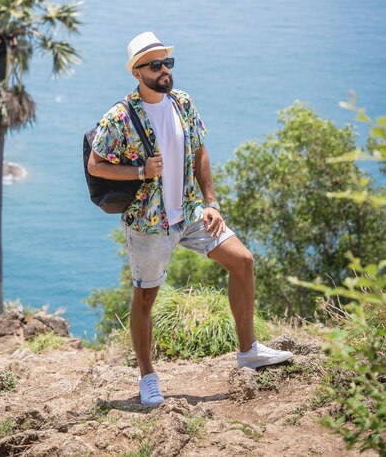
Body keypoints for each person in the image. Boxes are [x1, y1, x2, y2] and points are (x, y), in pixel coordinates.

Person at [88, 31, 293, 407]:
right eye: (155, 65)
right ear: (137, 73)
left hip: (191, 212)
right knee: (146, 297)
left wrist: (211, 202)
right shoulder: (119, 116)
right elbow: (95, 164)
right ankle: (147, 376)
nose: (164, 70)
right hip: (149, 223)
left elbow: (199, 151)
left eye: (168, 62)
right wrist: (139, 173)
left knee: (243, 261)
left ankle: (248, 350)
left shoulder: (182, 103)